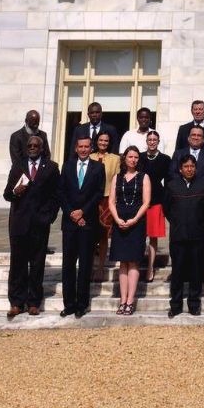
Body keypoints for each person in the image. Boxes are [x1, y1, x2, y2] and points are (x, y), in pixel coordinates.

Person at [4, 131, 60, 317]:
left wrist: (49, 217)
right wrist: (15, 191)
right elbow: (7, 194)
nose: (33, 148)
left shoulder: (51, 167)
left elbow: (55, 195)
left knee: (37, 264)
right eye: (29, 146)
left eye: (36, 146)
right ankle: (16, 302)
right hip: (19, 222)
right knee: (18, 263)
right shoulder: (18, 166)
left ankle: (34, 302)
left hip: (40, 223)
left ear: (42, 148)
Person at [161, 152, 204, 316]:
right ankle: (175, 305)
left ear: (196, 168)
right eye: (186, 166)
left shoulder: (203, 185)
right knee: (177, 272)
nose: (189, 169)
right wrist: (178, 223)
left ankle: (194, 304)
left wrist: (199, 226)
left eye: (192, 166)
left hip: (197, 237)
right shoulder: (172, 185)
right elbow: (167, 209)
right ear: (180, 169)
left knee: (196, 271)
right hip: (178, 237)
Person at [58, 135, 105, 318]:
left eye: (87, 146)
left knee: (85, 265)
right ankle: (68, 304)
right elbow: (61, 192)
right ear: (76, 148)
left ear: (91, 148)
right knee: (68, 265)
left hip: (88, 222)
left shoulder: (98, 168)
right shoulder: (67, 166)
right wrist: (72, 213)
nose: (84, 149)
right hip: (70, 223)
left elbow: (98, 193)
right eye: (81, 146)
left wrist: (82, 213)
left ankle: (81, 304)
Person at [108, 146, 151, 315]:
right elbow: (111, 201)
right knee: (122, 262)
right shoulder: (117, 177)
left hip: (136, 222)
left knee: (133, 261)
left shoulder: (144, 177)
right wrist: (117, 219)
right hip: (119, 221)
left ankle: (130, 301)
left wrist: (134, 220)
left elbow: (146, 202)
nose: (133, 160)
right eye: (130, 156)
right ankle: (122, 300)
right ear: (124, 158)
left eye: (135, 157)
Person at [90, 131, 122, 279]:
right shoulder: (89, 157)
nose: (103, 143)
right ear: (96, 141)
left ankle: (101, 267)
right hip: (91, 200)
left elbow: (117, 180)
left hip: (107, 199)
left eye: (106, 141)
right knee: (90, 235)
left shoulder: (115, 159)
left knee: (103, 235)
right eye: (101, 140)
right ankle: (89, 266)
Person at [140, 129, 171, 282]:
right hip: (139, 201)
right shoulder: (139, 157)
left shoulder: (165, 159)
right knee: (138, 235)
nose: (152, 142)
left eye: (154, 140)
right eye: (149, 139)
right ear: (146, 141)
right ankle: (137, 265)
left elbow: (169, 181)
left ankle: (150, 268)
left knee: (153, 236)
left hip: (157, 200)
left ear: (158, 142)